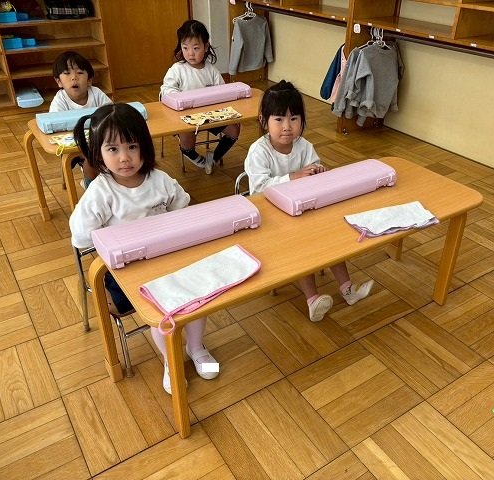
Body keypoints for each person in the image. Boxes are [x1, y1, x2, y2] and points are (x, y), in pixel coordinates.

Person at [68, 103, 218, 394]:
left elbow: (183, 209)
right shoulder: (101, 192)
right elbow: (81, 237)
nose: (124, 158)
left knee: (199, 295)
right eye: (113, 149)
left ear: (144, 147)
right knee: (164, 308)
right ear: (98, 152)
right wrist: (113, 240)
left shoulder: (160, 181)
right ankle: (171, 361)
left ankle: (196, 347)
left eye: (132, 147)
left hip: (167, 259)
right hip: (126, 273)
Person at [244, 80, 374, 322]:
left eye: (294, 119)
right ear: (264, 121)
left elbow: (314, 172)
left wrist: (318, 173)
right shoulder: (259, 151)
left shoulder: (304, 146)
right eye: (279, 119)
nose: (287, 127)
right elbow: (259, 189)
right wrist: (293, 177)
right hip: (273, 217)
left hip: (305, 209)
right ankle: (313, 299)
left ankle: (347, 289)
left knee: (330, 236)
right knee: (302, 243)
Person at [159, 19, 240, 175]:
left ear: (206, 47)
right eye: (185, 48)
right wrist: (180, 98)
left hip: (211, 115)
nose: (190, 53)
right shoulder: (177, 70)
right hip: (186, 118)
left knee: (234, 130)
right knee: (186, 137)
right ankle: (196, 157)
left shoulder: (211, 70)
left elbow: (223, 92)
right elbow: (166, 91)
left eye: (196, 48)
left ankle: (213, 158)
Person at [50, 50, 113, 185]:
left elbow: (111, 114)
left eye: (79, 72)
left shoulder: (97, 93)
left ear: (89, 80)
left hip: (99, 139)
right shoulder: (60, 100)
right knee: (92, 157)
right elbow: (55, 126)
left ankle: (110, 184)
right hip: (75, 143)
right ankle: (90, 186)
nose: (74, 77)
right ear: (59, 82)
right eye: (67, 73)